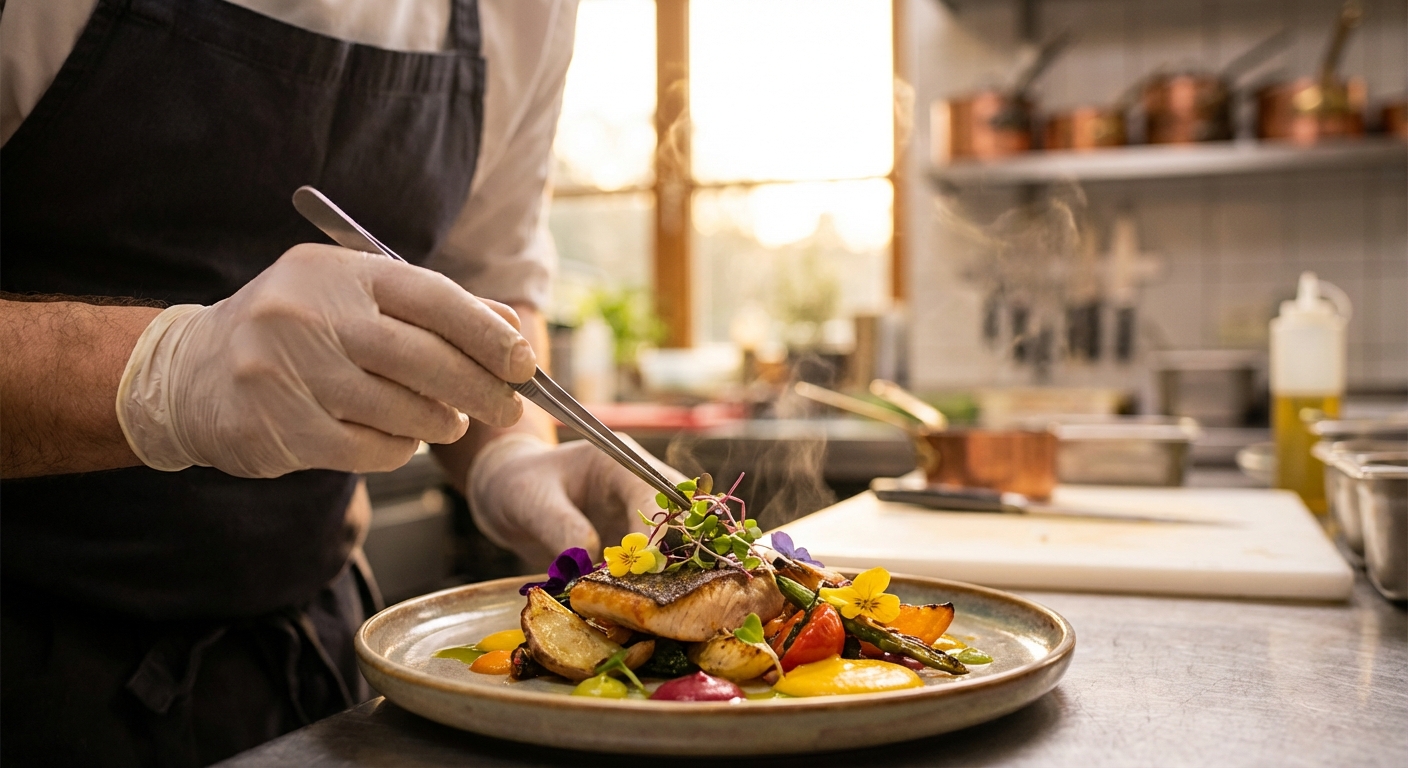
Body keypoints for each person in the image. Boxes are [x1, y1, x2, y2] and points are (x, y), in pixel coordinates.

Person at [0, 1, 670, 764]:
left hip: (311, 662)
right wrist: (166, 372)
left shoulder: (527, 13)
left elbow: (488, 284)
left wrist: (512, 455)